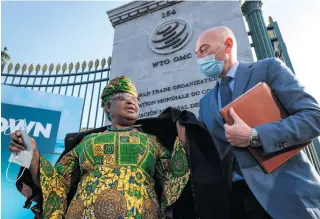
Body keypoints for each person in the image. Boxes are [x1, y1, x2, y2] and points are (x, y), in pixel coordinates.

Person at [10, 76, 230, 219]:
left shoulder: (151, 142)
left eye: (134, 99)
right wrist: (31, 155)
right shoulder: (86, 143)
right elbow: (56, 184)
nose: (131, 101)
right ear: (108, 106)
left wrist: (183, 143)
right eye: (123, 97)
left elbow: (173, 182)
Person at [195, 26, 320, 219]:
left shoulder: (268, 69)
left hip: (285, 197)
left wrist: (254, 136)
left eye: (204, 49)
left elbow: (313, 117)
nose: (200, 58)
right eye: (197, 54)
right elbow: (206, 153)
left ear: (228, 45)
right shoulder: (205, 103)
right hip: (236, 204)